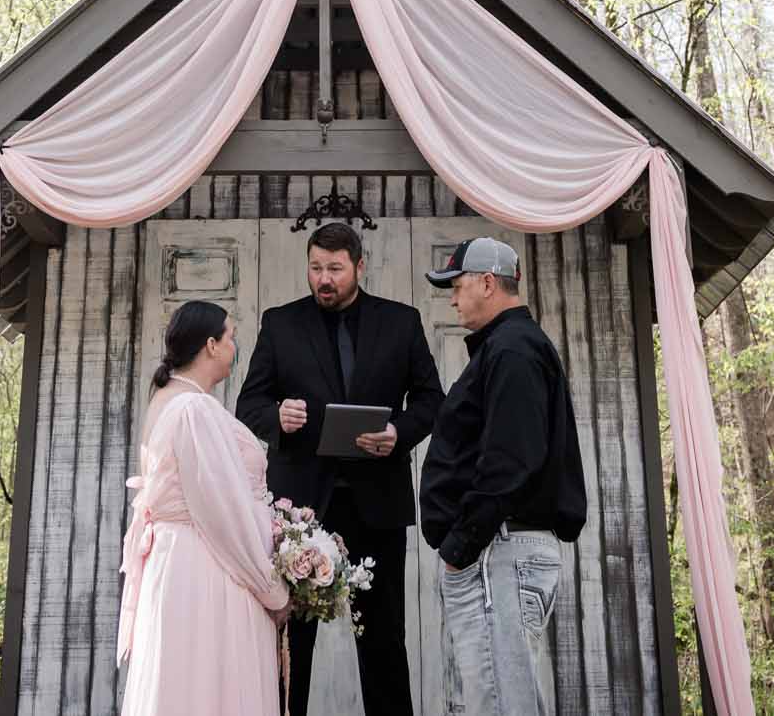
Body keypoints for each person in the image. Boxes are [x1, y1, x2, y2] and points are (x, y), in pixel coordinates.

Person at [237, 222, 444, 716]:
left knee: (383, 642)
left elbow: (433, 400)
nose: (323, 279)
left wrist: (398, 432)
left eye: (334, 269)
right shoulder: (280, 323)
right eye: (315, 268)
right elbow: (251, 405)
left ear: (358, 267)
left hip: (379, 506)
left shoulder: (402, 321)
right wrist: (278, 419)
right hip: (301, 515)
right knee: (291, 643)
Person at [417, 237, 586, 716]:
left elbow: (510, 460)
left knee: (500, 704)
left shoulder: (512, 350)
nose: (452, 297)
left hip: (501, 552)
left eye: (458, 284)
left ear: (488, 283)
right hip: (500, 551)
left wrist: (460, 548)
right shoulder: (509, 348)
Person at [119, 299, 289, 716]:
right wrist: (272, 589)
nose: (235, 346)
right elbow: (223, 513)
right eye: (231, 337)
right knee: (209, 688)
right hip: (207, 573)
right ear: (211, 345)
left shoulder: (170, 399)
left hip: (178, 566)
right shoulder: (193, 409)